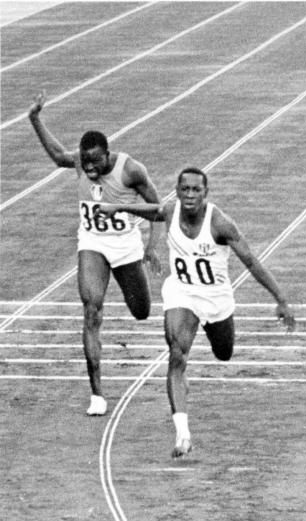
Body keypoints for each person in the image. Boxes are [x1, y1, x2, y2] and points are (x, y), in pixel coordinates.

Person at [96, 167, 295, 457]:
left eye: (196, 190)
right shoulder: (171, 209)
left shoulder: (221, 223)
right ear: (177, 191)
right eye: (184, 189)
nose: (190, 195)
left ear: (206, 193)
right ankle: (183, 436)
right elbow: (153, 211)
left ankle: (191, 373)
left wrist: (281, 299)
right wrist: (117, 207)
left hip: (216, 299)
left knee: (224, 353)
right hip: (182, 293)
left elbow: (251, 261)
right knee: (177, 352)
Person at [28, 90, 163, 417]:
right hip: (93, 243)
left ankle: (135, 287)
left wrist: (150, 248)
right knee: (91, 310)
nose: (88, 167)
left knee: (142, 311)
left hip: (126, 246)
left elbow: (158, 209)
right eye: (84, 161)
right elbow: (59, 154)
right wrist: (35, 119)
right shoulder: (80, 161)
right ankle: (98, 394)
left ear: (108, 154)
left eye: (95, 161)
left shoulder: (131, 170)